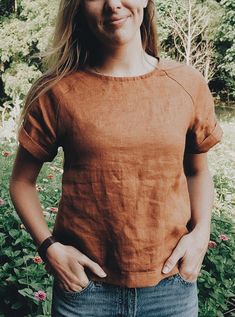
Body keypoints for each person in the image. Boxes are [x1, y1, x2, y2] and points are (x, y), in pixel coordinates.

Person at [9, 0, 223, 316]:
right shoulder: (56, 91)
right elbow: (21, 182)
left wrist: (201, 233)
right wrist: (50, 248)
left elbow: (196, 172)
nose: (113, 5)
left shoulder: (187, 84)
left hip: (171, 292)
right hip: (85, 293)